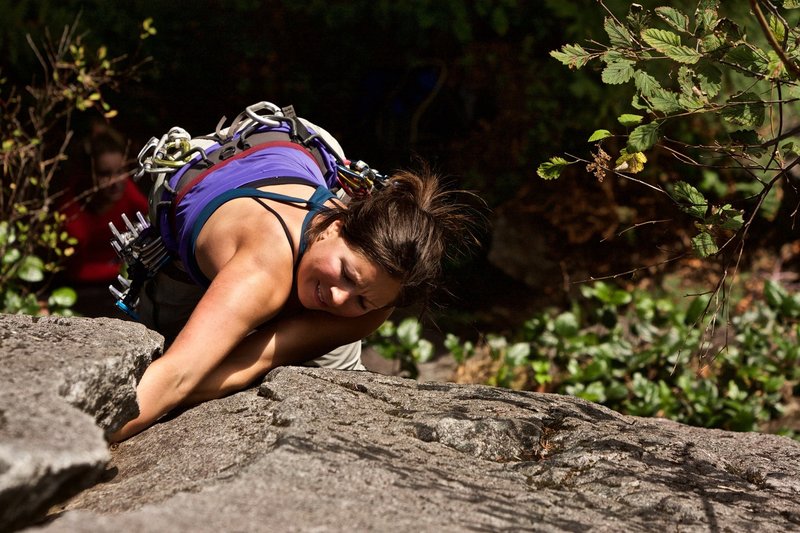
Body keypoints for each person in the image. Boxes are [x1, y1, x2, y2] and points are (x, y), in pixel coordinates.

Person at [109, 108, 479, 442]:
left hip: (300, 165)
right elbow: (177, 375)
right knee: (168, 342)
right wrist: (79, 441)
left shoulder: (378, 293)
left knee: (340, 379)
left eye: (362, 298)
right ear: (335, 225)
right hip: (230, 156)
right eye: (346, 275)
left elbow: (257, 359)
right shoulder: (262, 268)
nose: (338, 297)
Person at [61, 126, 149, 286]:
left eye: (120, 171)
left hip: (120, 270)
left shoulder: (126, 191)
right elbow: (74, 272)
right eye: (105, 174)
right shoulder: (73, 219)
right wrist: (126, 267)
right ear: (87, 174)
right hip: (84, 287)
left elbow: (150, 217)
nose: (116, 181)